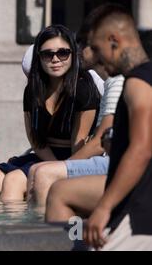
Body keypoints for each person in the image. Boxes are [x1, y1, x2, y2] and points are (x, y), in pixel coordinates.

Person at [0, 25, 100, 201]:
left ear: (73, 54)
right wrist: (50, 165)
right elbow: (35, 139)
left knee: (13, 181)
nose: (55, 59)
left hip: (74, 158)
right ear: (39, 58)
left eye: (63, 53)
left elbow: (78, 144)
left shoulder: (83, 88)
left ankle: (28, 227)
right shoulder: (33, 90)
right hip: (44, 155)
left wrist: (55, 171)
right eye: (47, 54)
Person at [27, 15, 124, 207]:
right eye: (48, 54)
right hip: (107, 159)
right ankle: (34, 231)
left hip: (119, 164)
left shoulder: (114, 82)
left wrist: (63, 166)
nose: (78, 50)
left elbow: (97, 144)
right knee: (35, 172)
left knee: (44, 173)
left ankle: (42, 233)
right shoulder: (111, 82)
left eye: (81, 44)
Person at [82, 4, 152, 250]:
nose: (95, 57)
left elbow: (142, 149)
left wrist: (103, 206)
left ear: (114, 41)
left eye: (97, 48)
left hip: (137, 217)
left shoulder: (137, 83)